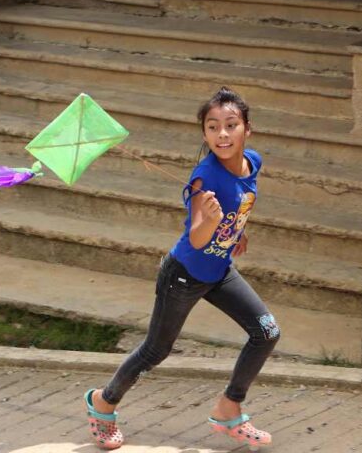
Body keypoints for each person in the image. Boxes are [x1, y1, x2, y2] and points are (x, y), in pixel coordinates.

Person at [83, 86, 279, 450]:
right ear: (204, 133)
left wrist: (236, 231)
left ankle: (229, 407)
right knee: (155, 351)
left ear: (247, 129)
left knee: (266, 332)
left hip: (220, 271)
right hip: (184, 275)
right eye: (212, 127)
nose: (222, 134)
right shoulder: (204, 178)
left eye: (231, 125)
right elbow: (197, 237)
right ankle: (103, 402)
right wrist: (212, 221)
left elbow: (242, 200)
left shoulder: (253, 161)